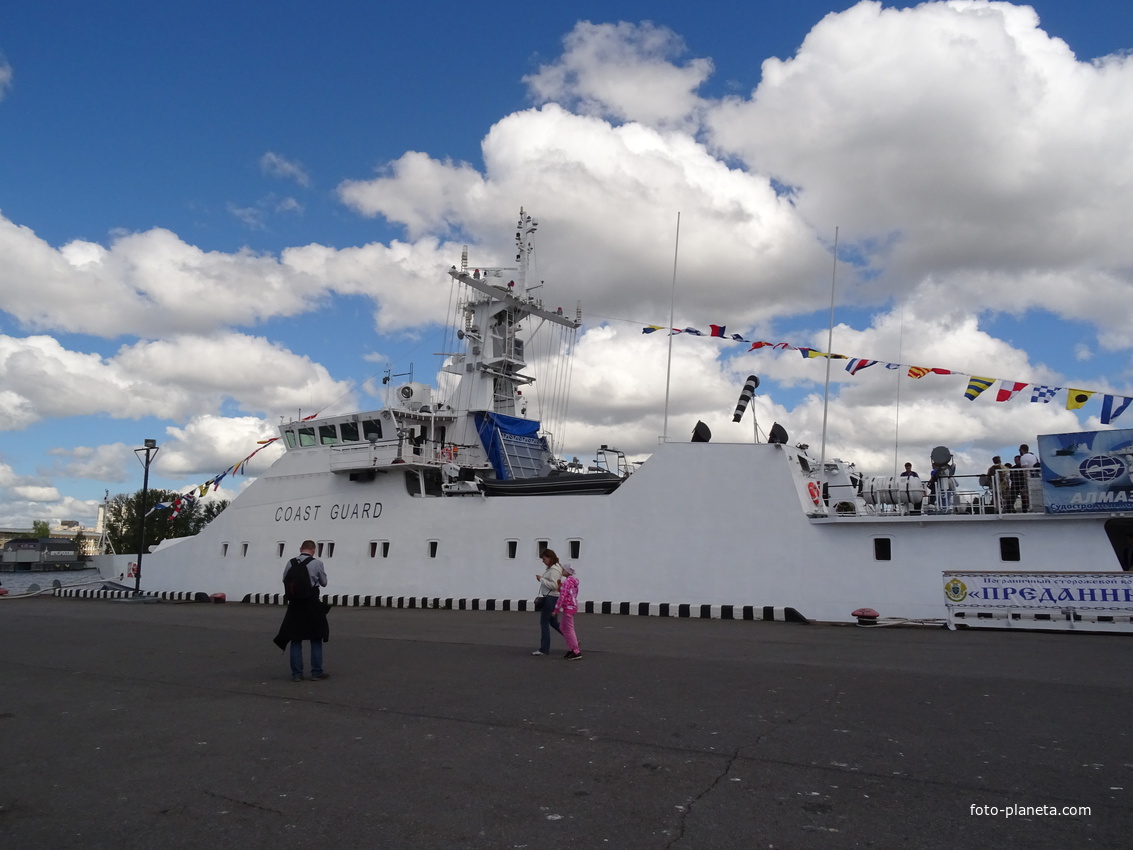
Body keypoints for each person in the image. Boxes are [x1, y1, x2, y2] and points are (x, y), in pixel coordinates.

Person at [273, 539, 329, 681]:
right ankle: (316, 672)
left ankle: (297, 674)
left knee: (296, 640)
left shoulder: (290, 563)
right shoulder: (317, 563)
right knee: (316, 638)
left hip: (295, 605)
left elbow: (284, 579)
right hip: (312, 605)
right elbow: (324, 583)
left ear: (300, 549)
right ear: (313, 550)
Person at [533, 548, 564, 656]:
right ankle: (572, 639)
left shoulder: (554, 570)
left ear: (550, 557)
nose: (543, 561)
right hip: (552, 598)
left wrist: (541, 579)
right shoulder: (555, 568)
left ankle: (544, 649)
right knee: (553, 622)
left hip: (550, 598)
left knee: (544, 623)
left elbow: (555, 586)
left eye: (544, 558)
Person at [554, 564, 582, 660]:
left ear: (567, 571)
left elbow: (562, 597)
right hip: (573, 606)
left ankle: (576, 650)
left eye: (563, 569)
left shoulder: (566, 583)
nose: (562, 571)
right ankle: (571, 648)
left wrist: (556, 609)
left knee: (569, 629)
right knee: (563, 627)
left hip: (568, 607)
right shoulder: (574, 582)